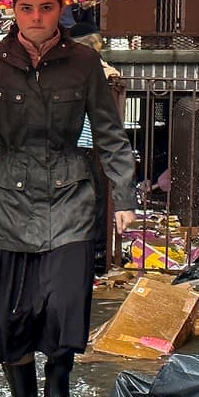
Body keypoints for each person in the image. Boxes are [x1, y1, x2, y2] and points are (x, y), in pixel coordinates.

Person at [0, 0, 137, 397]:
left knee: (63, 300)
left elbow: (109, 133)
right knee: (13, 315)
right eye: (25, 8)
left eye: (45, 7)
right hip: (10, 198)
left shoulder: (83, 62)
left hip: (69, 195)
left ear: (61, 9)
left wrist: (124, 197)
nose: (36, 17)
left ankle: (58, 386)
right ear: (13, 11)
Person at [69, 21, 122, 274]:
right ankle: (96, 253)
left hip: (79, 143)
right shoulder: (90, 67)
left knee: (86, 200)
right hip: (84, 144)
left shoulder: (79, 66)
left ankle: (89, 252)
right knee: (94, 199)